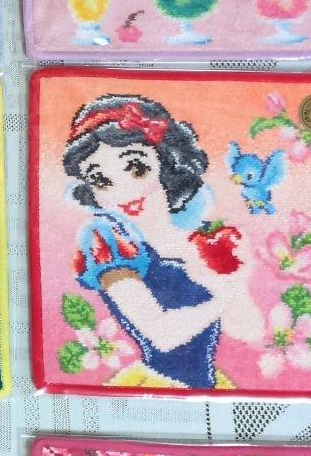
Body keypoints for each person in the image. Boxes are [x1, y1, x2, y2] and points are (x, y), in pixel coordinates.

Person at [62, 94, 263, 389]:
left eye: (136, 168)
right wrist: (224, 295)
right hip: (154, 384)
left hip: (208, 387)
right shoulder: (109, 241)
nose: (124, 191)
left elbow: (249, 330)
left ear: (167, 163)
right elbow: (162, 334)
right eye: (102, 181)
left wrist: (237, 281)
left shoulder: (204, 238)